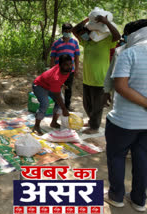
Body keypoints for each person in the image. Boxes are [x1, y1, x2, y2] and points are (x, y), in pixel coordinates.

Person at [104, 19, 147, 212]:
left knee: (117, 156)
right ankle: (139, 199)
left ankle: (116, 196)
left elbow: (121, 86)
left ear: (134, 34)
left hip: (124, 122)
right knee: (143, 158)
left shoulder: (129, 53)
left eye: (126, 35)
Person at [72, 15, 120, 134]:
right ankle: (92, 120)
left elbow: (117, 36)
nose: (85, 34)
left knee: (97, 106)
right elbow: (74, 30)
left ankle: (94, 127)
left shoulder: (106, 41)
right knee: (87, 104)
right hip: (87, 79)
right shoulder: (86, 42)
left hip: (100, 80)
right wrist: (88, 19)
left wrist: (106, 22)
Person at [32, 54, 72, 135]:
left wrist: (61, 84)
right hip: (39, 86)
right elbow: (57, 95)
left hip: (49, 85)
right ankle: (36, 126)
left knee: (61, 101)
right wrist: (64, 109)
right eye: (66, 65)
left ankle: (53, 123)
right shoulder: (55, 78)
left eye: (70, 64)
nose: (69, 66)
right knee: (45, 104)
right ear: (60, 65)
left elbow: (59, 81)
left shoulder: (67, 70)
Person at [50, 23, 80, 111]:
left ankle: (67, 106)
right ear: (62, 31)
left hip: (70, 71)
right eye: (66, 31)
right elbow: (52, 57)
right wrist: (52, 70)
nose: (67, 33)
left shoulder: (74, 42)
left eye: (69, 31)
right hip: (58, 71)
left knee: (68, 89)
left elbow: (77, 57)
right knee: (57, 89)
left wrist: (76, 69)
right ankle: (57, 106)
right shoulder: (56, 43)